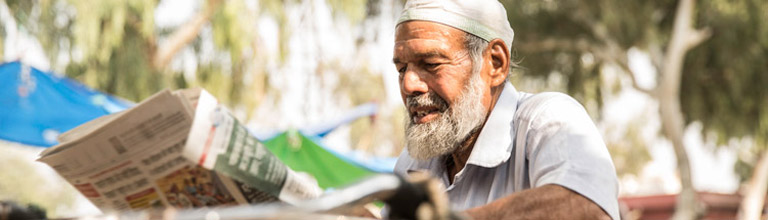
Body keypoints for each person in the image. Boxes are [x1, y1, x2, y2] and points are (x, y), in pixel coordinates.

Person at [391, 0, 620, 219]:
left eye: (431, 64)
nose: (409, 85)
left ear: (495, 64)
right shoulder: (413, 164)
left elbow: (586, 206)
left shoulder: (547, 121)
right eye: (402, 69)